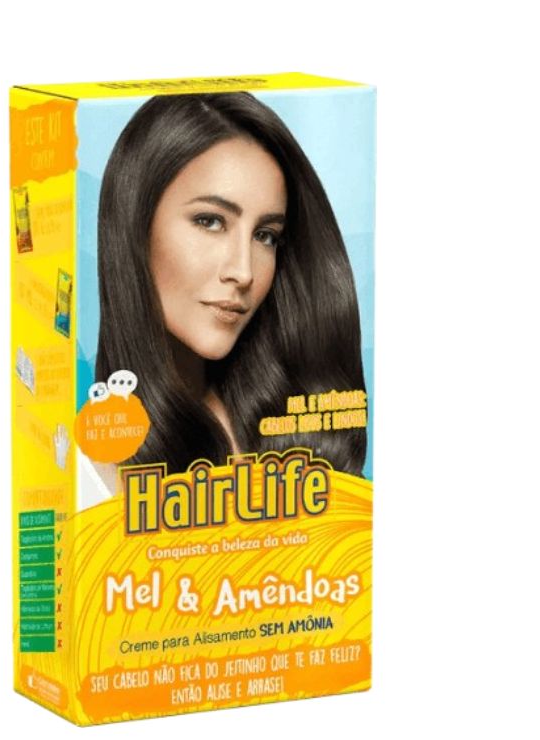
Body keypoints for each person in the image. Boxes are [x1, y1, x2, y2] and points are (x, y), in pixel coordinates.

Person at [94, 91, 367, 484]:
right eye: (210, 221)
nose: (244, 272)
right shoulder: (89, 466)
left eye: (266, 236)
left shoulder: (301, 434)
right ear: (135, 224)